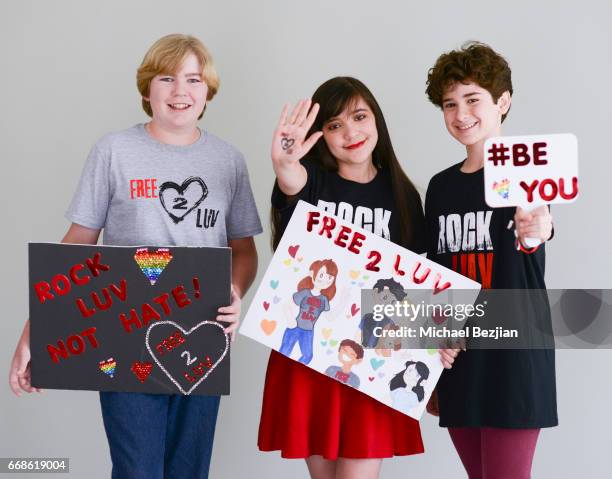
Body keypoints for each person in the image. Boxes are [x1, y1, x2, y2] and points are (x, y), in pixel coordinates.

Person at [8, 33, 262, 479]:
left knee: (189, 470)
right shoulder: (114, 152)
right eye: (167, 78)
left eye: (193, 80)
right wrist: (37, 329)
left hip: (204, 336)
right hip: (124, 336)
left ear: (208, 92)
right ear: (148, 89)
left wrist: (237, 291)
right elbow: (77, 243)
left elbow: (242, 250)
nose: (180, 91)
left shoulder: (228, 161)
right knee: (137, 469)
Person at [259, 76, 459, 479]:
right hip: (310, 355)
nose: (350, 132)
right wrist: (284, 164)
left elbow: (413, 285)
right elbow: (291, 182)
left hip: (374, 359)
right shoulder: (312, 183)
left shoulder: (401, 193)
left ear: (377, 121)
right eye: (334, 125)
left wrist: (434, 343)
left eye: (359, 116)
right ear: (322, 137)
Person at [424, 41, 557, 479]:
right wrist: (427, 348)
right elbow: (435, 277)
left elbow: (539, 228)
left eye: (473, 99)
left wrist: (537, 229)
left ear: (503, 101)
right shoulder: (439, 188)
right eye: (449, 103)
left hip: (513, 358)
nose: (460, 114)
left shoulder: (528, 172)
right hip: (457, 361)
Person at [279, 259, 338, 364]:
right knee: (284, 352)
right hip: (294, 328)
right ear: (312, 273)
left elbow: (330, 317)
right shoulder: (305, 293)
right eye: (321, 275)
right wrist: (291, 320)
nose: (325, 280)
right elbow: (287, 305)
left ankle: (292, 369)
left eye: (329, 278)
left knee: (308, 356)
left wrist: (342, 302)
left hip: (308, 332)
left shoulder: (324, 299)